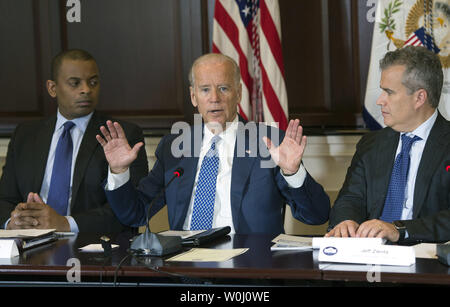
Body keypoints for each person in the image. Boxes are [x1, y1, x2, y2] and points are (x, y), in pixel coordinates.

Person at [98, 53, 330, 234]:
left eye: (224, 88)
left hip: (249, 269)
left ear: (238, 94)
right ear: (193, 97)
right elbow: (136, 214)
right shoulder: (174, 147)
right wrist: (118, 172)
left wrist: (293, 173)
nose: (214, 98)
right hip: (185, 267)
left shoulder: (269, 143)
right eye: (205, 89)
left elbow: (316, 215)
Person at [0, 49, 149, 233]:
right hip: (30, 244)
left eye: (93, 82)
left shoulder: (123, 135)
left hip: (94, 248)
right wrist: (12, 222)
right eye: (75, 83)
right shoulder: (25, 135)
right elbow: (5, 199)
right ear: (52, 88)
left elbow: (130, 211)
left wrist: (65, 223)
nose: (86, 89)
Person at [326, 46, 449, 243]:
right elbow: (350, 199)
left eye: (389, 92)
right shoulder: (371, 144)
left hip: (428, 262)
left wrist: (399, 229)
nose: (380, 101)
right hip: (370, 258)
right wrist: (346, 220)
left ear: (419, 97)